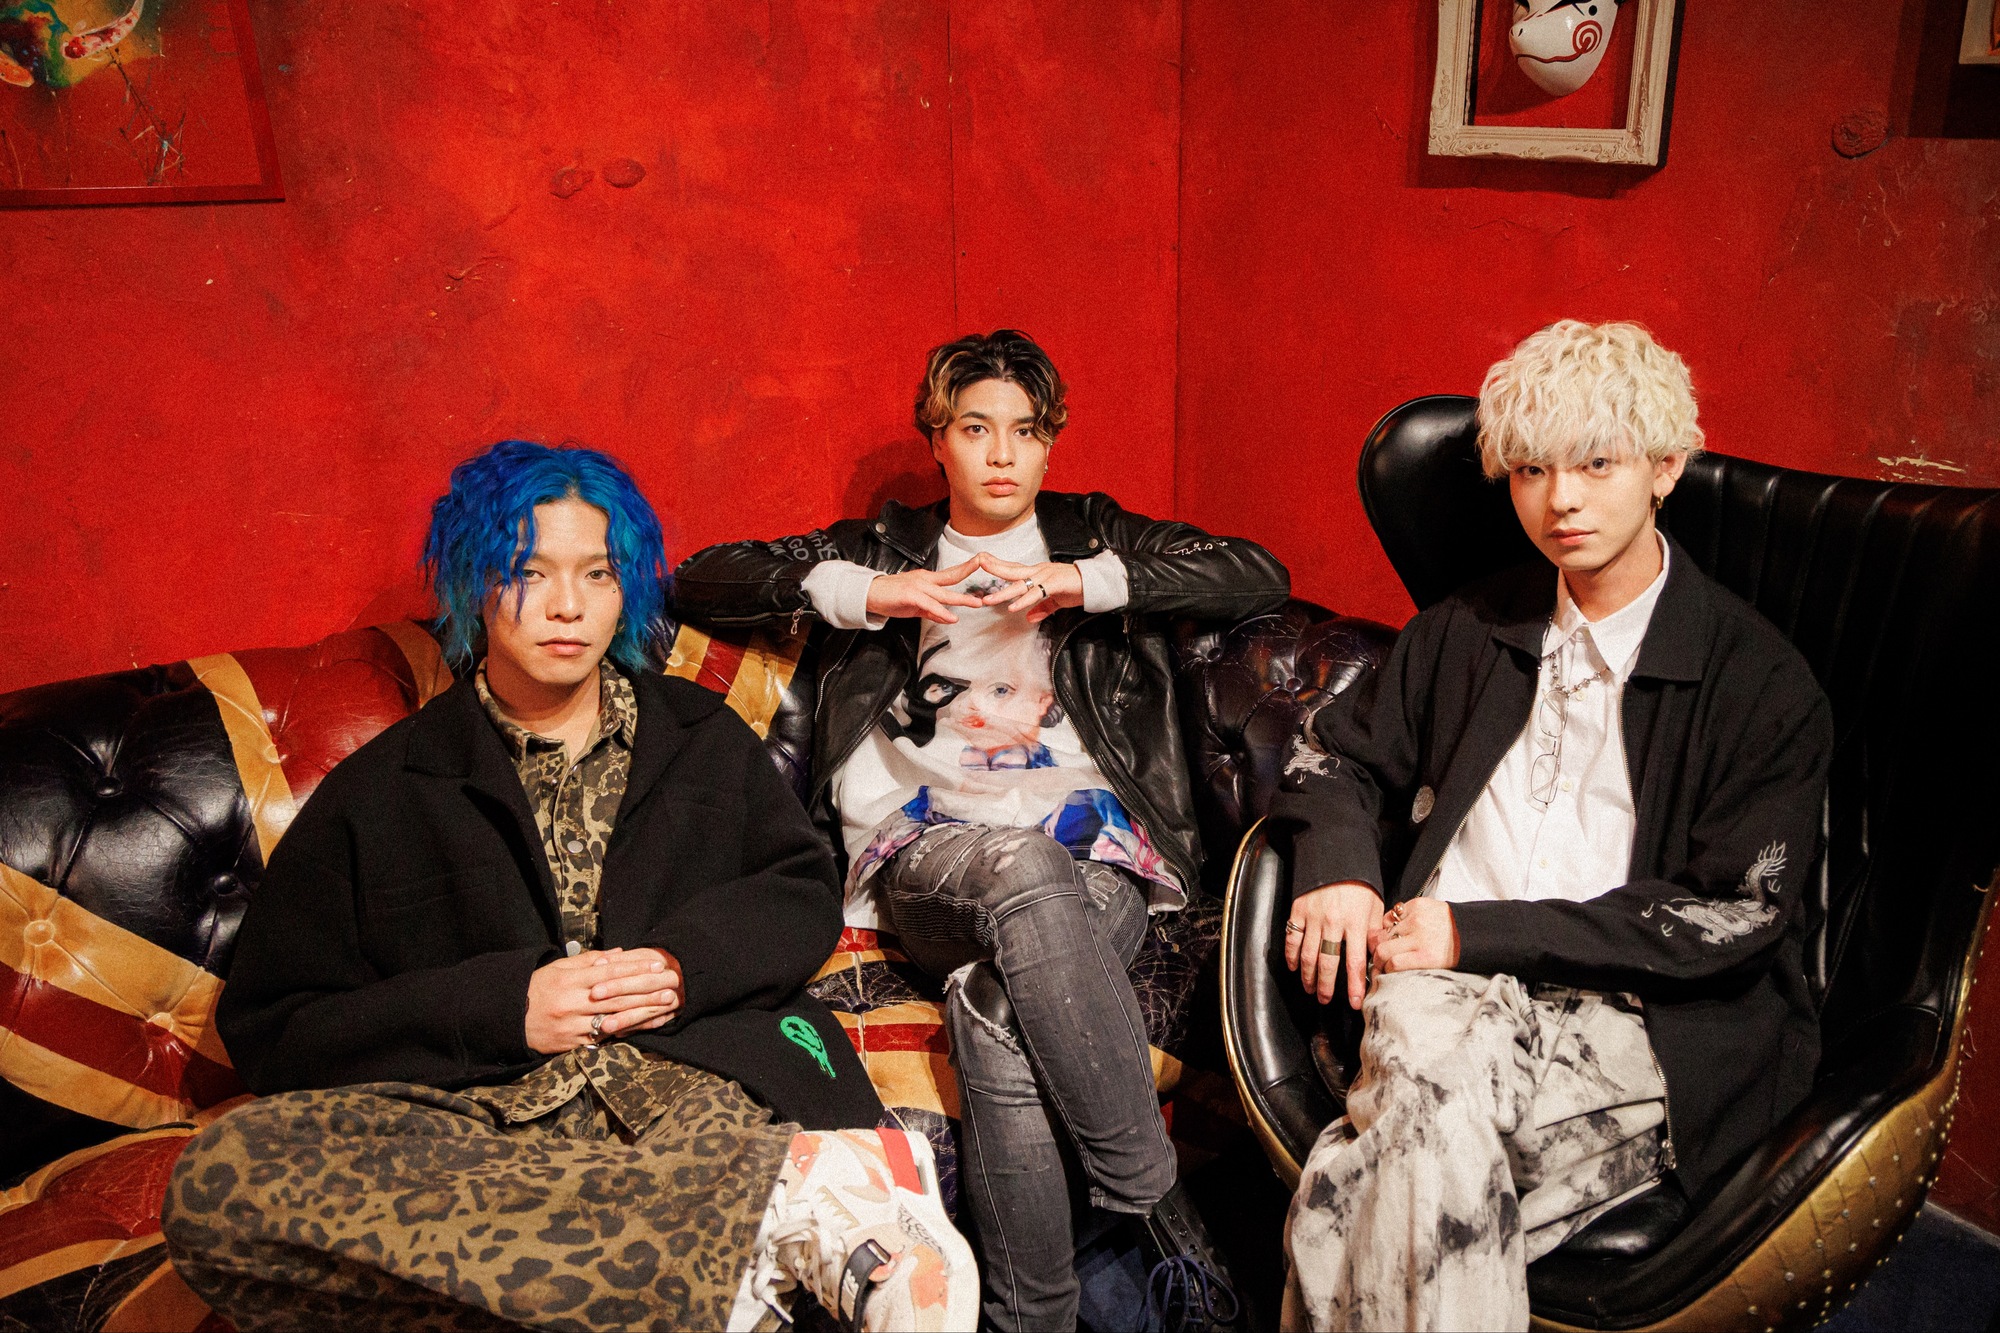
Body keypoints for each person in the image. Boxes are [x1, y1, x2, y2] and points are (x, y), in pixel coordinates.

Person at [161, 441, 977, 1333]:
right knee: (219, 1180)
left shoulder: (698, 736)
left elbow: (802, 886)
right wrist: (501, 1007)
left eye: (597, 573)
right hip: (482, 1129)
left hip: (690, 1087)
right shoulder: (384, 789)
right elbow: (276, 1027)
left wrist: (684, 965)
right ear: (477, 583)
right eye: (530, 572)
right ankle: (773, 1220)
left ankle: (749, 1230)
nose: (567, 605)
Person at [673, 330, 1291, 1330]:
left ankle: (1026, 1317)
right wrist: (868, 593)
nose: (1002, 455)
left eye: (1025, 432)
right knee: (1019, 865)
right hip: (927, 853)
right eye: (974, 429)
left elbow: (1255, 572)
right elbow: (704, 576)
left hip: (1096, 852)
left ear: (1050, 443)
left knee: (990, 1008)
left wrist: (1081, 582)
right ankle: (1153, 1197)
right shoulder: (883, 547)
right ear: (938, 440)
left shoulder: (1092, 534)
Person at [1272, 321, 1832, 1332]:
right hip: (1439, 992)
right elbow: (1330, 751)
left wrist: (1473, 930)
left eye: (1596, 463)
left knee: (1378, 1172)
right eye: (1531, 469)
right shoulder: (1469, 627)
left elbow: (1732, 912)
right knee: (1434, 1139)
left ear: (1665, 468)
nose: (1560, 499)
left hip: (1641, 1014)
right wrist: (1342, 868)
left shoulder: (1760, 681)